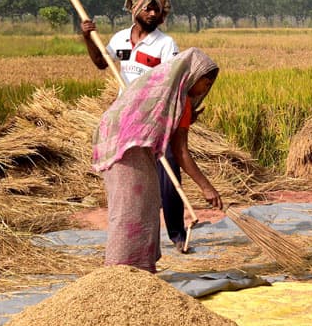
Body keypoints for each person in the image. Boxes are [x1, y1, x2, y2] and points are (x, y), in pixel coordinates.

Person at [92, 48, 223, 273]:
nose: (207, 88)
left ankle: (140, 268)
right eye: (206, 82)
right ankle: (120, 271)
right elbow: (181, 151)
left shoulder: (165, 91)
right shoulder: (178, 101)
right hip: (127, 149)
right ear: (192, 75)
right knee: (131, 210)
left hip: (123, 145)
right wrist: (207, 187)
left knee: (147, 204)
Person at [81, 0, 190, 254]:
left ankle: (177, 233)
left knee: (169, 167)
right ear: (135, 10)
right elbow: (101, 62)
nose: (152, 13)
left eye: (157, 9)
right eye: (148, 7)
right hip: (126, 117)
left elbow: (171, 80)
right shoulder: (119, 40)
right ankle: (138, 236)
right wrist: (88, 38)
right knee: (134, 175)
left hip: (154, 115)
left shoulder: (165, 45)